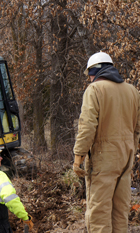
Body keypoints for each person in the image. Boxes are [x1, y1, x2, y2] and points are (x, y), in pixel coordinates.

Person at [73, 51, 140, 233]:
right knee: (120, 211)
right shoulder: (133, 91)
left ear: (95, 71)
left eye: (89, 75)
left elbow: (87, 126)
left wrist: (78, 156)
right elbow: (137, 129)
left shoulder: (95, 90)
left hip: (104, 159)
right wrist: (130, 149)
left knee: (99, 213)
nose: (89, 79)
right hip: (126, 159)